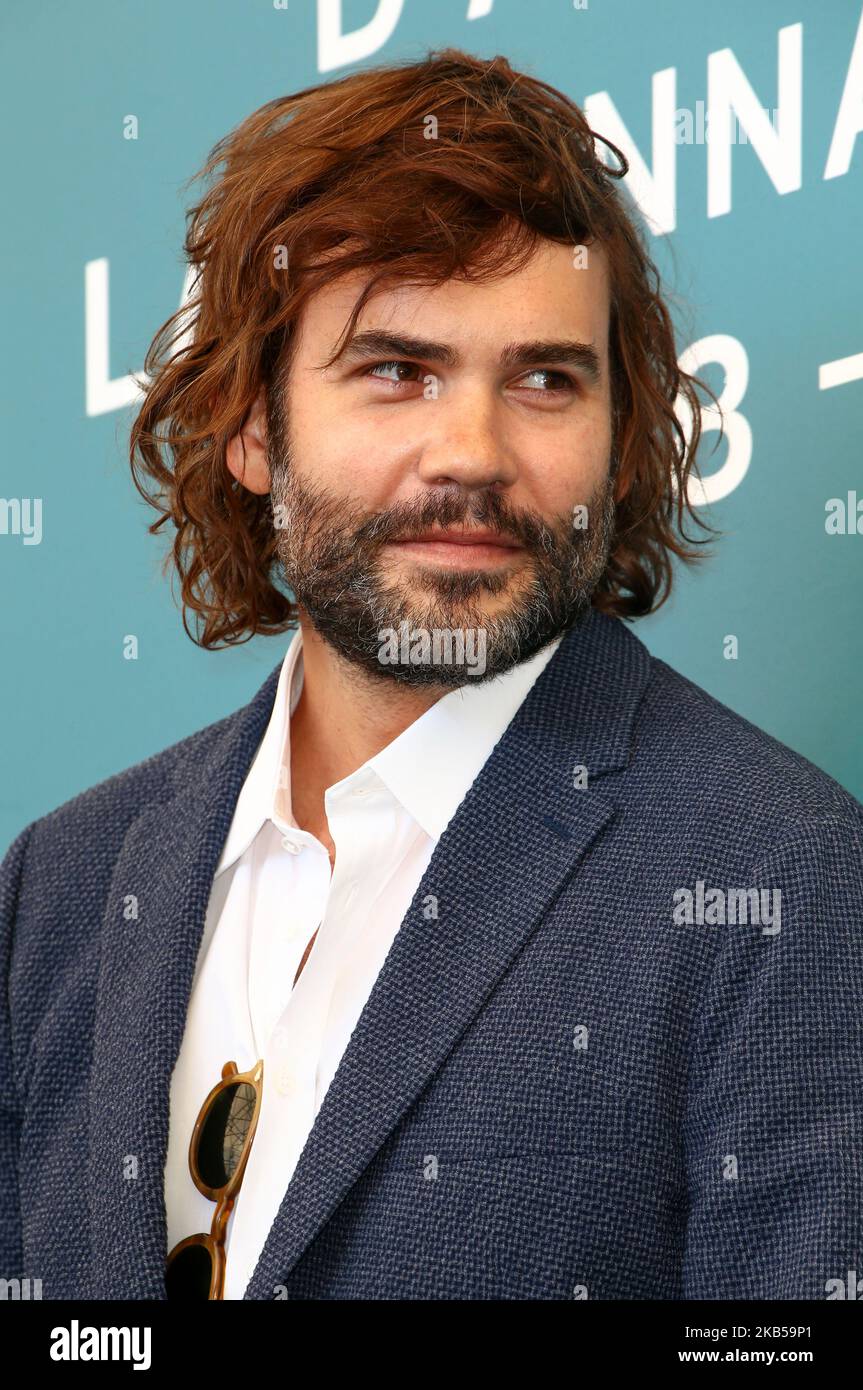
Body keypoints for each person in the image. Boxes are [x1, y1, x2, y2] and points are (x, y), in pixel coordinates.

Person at [2, 48, 861, 1302]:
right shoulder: (63, 885)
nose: (471, 451)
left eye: (544, 379)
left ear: (621, 444)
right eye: (396, 369)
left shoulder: (783, 877)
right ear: (253, 427)